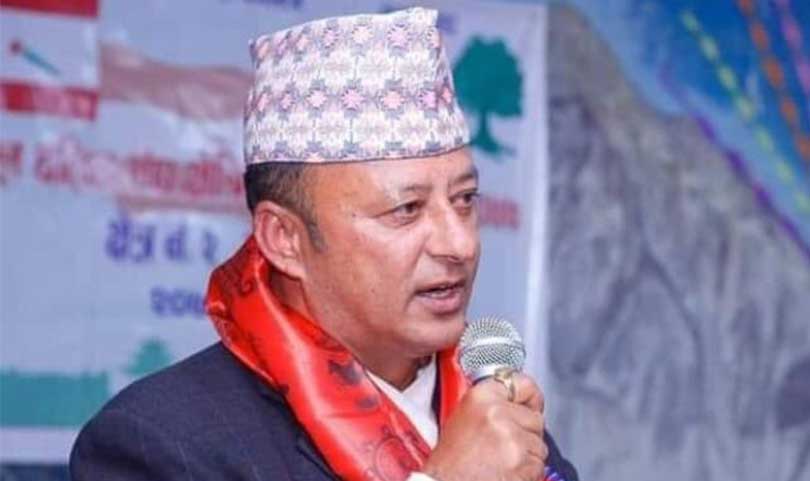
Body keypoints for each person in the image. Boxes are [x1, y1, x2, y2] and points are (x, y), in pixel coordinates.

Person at [70, 7, 578, 481]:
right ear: (284, 239)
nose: (459, 244)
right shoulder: (162, 444)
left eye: (465, 199)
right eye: (406, 209)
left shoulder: (498, 417)